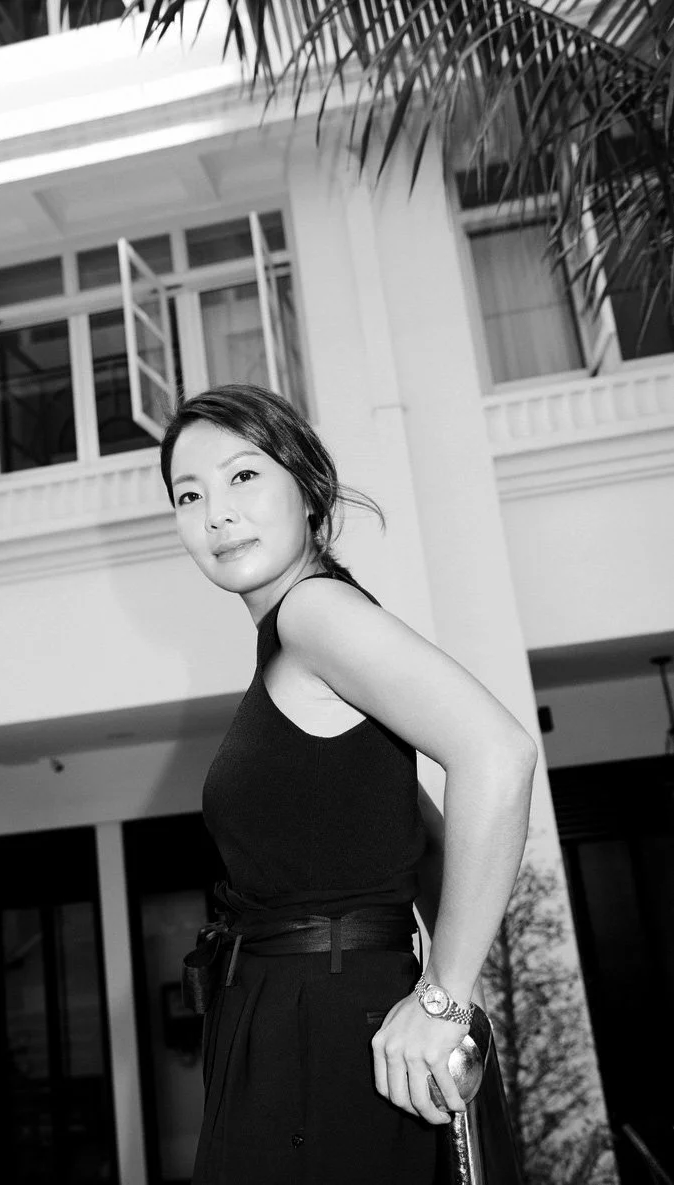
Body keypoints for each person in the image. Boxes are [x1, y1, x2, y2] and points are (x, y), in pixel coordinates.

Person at [160, 383, 537, 1184]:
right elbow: (415, 834)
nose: (216, 514)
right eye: (188, 495)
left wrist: (443, 997)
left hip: (324, 1026)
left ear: (306, 486)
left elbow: (497, 753)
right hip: (307, 1017)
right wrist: (445, 992)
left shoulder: (312, 614)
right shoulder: (293, 637)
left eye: (242, 475)